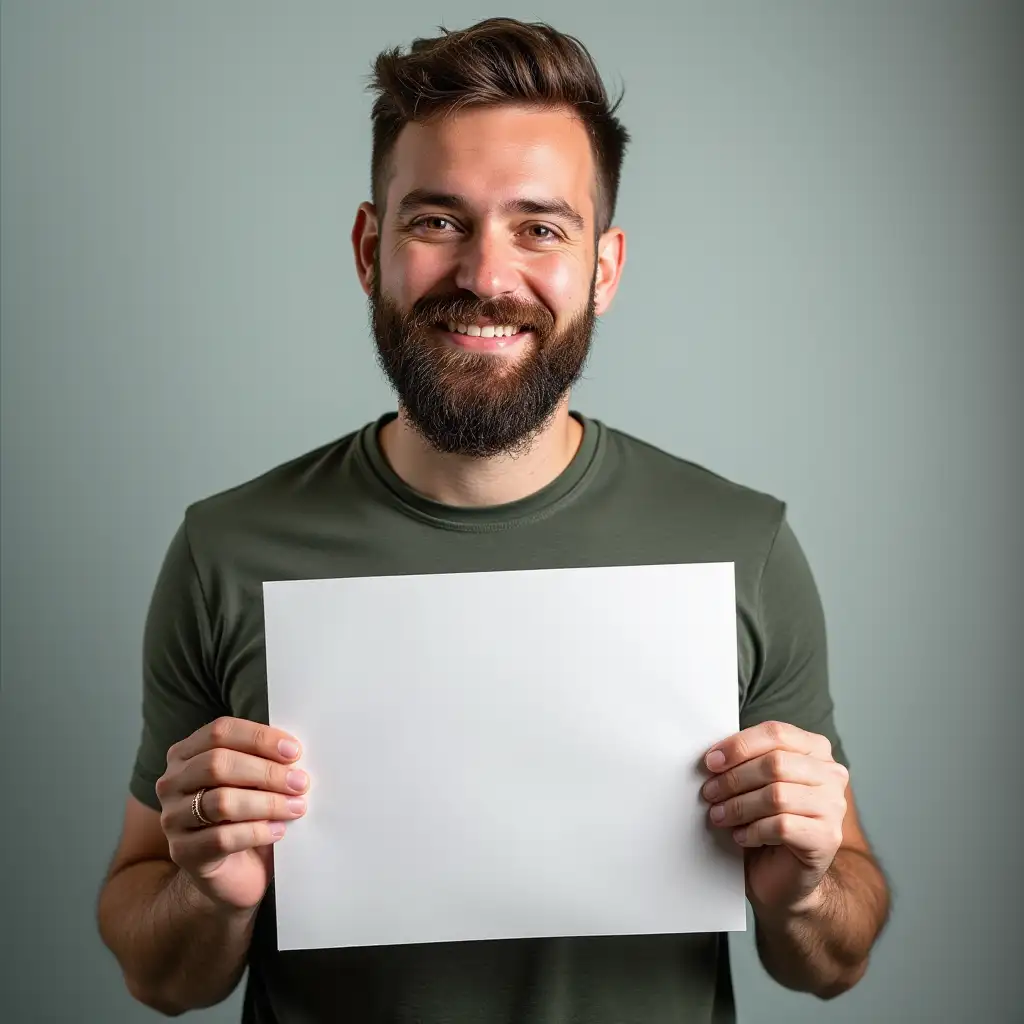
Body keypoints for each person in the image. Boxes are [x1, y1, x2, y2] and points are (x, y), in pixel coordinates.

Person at [97, 16, 891, 1023]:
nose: (484, 273)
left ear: (602, 267)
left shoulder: (744, 545)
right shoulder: (226, 549)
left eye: (539, 227)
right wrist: (210, 895)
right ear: (368, 246)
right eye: (436, 220)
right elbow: (157, 974)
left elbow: (833, 960)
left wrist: (807, 886)